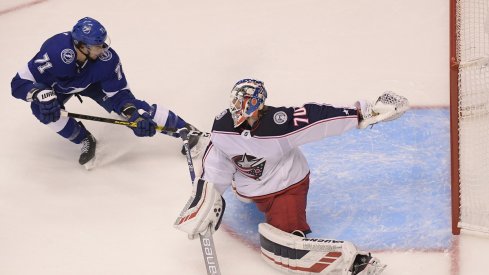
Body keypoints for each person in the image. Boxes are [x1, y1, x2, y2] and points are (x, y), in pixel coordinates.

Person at [174, 79, 409, 275]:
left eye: (244, 102)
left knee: (284, 236)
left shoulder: (279, 123)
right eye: (236, 100)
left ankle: (350, 262)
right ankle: (248, 193)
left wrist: (364, 113)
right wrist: (206, 197)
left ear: (257, 105)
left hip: (285, 186)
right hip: (250, 185)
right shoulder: (223, 125)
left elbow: (318, 118)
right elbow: (219, 158)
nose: (237, 107)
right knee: (239, 176)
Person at [11, 17, 203, 168]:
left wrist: (131, 113)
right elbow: (18, 83)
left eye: (102, 43)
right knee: (44, 112)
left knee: (135, 110)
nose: (103, 49)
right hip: (58, 88)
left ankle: (184, 129)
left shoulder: (107, 60)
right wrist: (37, 93)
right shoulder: (54, 53)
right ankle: (84, 139)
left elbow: (120, 94)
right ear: (81, 46)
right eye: (97, 46)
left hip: (93, 84)